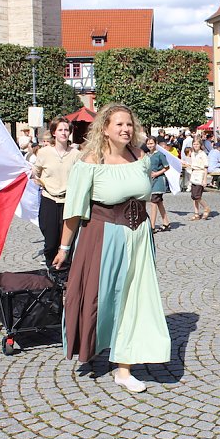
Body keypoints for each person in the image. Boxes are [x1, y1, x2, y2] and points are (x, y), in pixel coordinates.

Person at [51, 104, 171, 393]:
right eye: (118, 124)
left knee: (136, 299)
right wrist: (64, 248)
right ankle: (96, 345)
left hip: (140, 236)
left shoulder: (141, 158)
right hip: (103, 236)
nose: (125, 129)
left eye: (129, 124)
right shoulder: (90, 161)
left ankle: (123, 366)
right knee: (103, 299)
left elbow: (148, 197)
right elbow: (74, 210)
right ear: (104, 128)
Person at [33, 116, 81, 269]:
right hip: (49, 200)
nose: (64, 133)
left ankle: (66, 275)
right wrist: (41, 184)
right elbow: (36, 172)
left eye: (66, 130)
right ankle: (51, 269)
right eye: (60, 130)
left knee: (67, 241)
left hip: (68, 201)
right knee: (51, 240)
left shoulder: (75, 154)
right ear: (54, 133)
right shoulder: (44, 153)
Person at [145, 136, 171, 233]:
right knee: (159, 202)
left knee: (153, 203)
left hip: (159, 181)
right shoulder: (147, 155)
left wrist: (157, 173)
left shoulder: (160, 154)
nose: (150, 145)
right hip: (151, 181)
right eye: (148, 143)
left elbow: (167, 167)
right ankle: (166, 222)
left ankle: (152, 226)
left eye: (151, 143)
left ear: (155, 144)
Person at [182, 138, 211, 220]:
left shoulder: (203, 154)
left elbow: (205, 167)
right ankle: (196, 213)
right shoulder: (193, 154)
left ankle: (206, 207)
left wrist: (205, 179)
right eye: (194, 144)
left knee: (197, 196)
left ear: (200, 145)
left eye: (197, 144)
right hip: (194, 174)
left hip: (200, 174)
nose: (195, 146)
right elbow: (192, 164)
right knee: (193, 196)